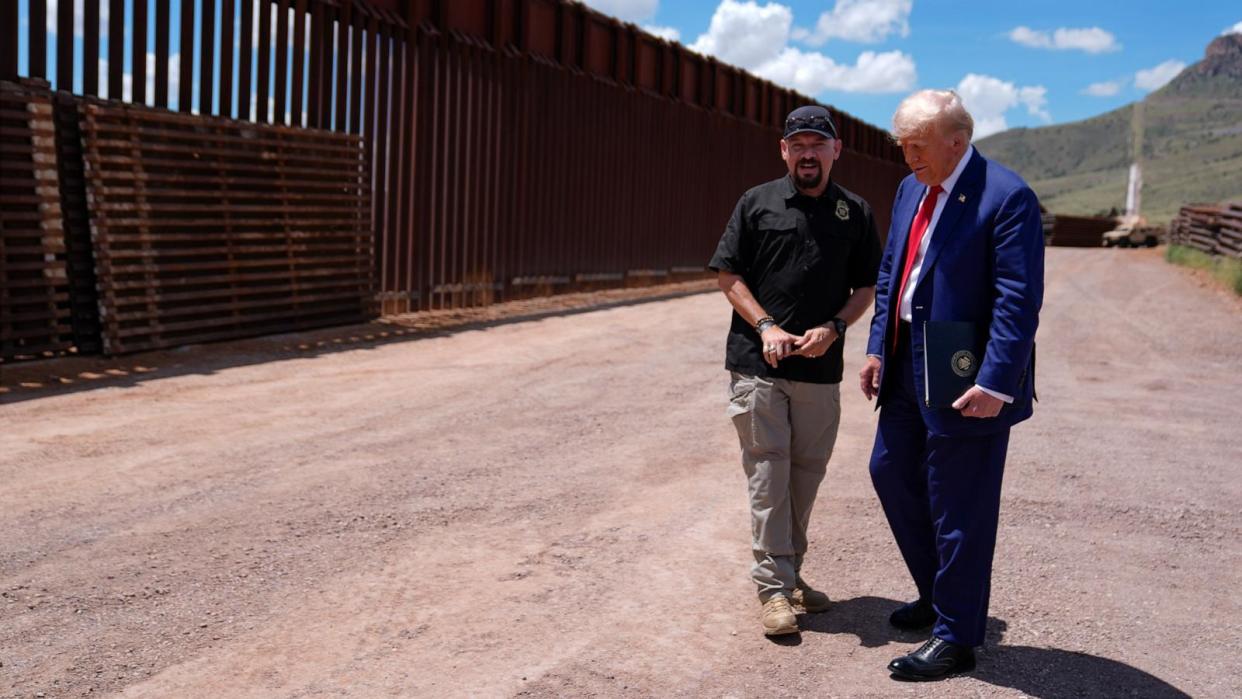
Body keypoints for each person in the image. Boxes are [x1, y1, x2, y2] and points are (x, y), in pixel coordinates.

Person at [859, 89, 1043, 679]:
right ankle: (943, 599)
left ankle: (958, 636)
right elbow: (893, 273)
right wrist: (874, 348)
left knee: (959, 501)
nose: (907, 155)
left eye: (917, 144)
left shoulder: (1006, 196)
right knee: (890, 471)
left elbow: (1018, 300)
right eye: (902, 145)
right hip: (909, 357)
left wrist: (997, 381)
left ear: (956, 141)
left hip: (965, 370)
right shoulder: (911, 188)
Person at [709, 105, 881, 637]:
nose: (808, 153)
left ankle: (789, 573)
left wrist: (834, 327)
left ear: (835, 151)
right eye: (797, 144)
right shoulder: (756, 203)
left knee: (804, 480)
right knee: (768, 477)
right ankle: (773, 591)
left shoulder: (855, 211)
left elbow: (868, 289)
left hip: (821, 371)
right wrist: (765, 325)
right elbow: (727, 274)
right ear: (784, 151)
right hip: (757, 366)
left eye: (817, 144)